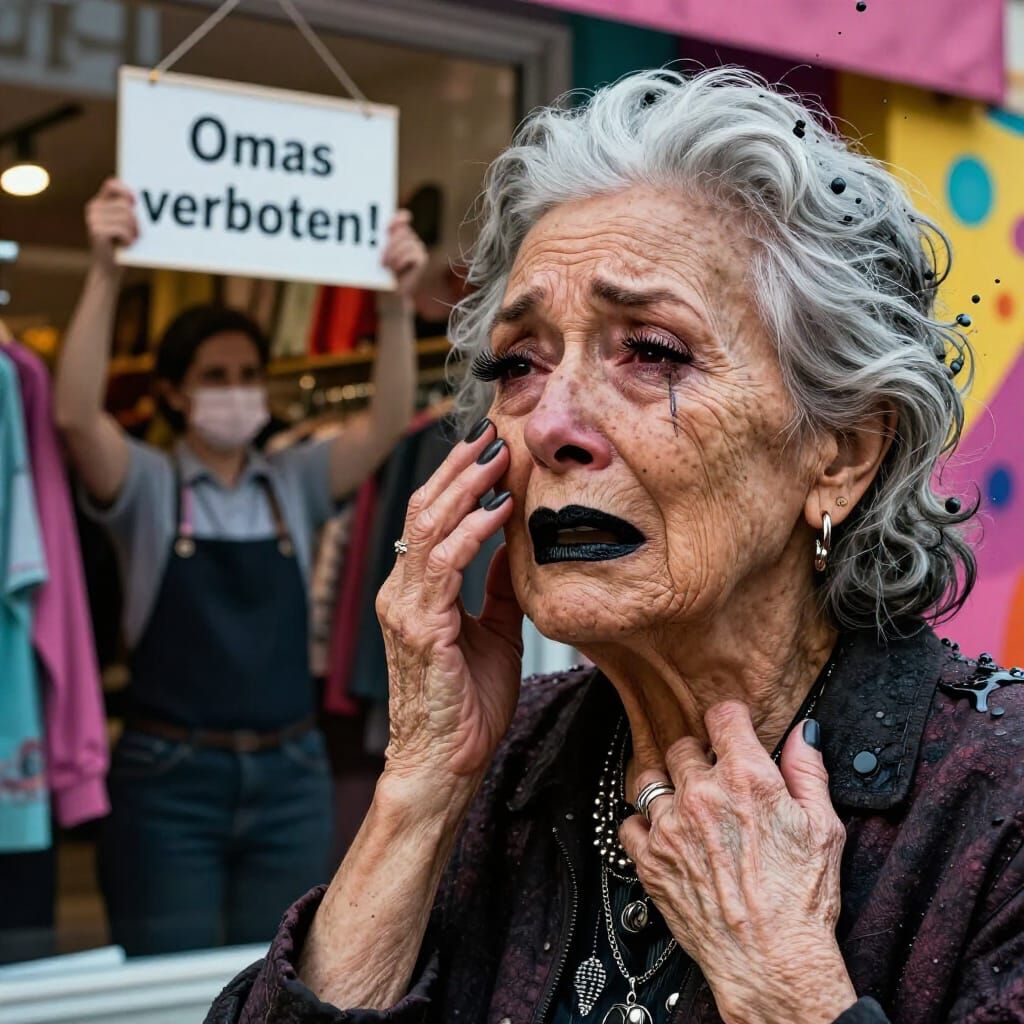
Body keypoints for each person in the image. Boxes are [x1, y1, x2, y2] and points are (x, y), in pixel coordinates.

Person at [207, 69, 1023, 1023]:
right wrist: (421, 789)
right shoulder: (507, 762)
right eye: (519, 364)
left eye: (651, 350)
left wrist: (783, 981)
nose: (552, 423)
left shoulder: (991, 803)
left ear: (838, 454)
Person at [54, 179, 427, 955]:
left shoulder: (293, 483)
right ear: (174, 393)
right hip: (169, 784)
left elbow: (391, 419)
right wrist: (103, 270)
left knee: (276, 980)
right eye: (215, 378)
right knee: (168, 980)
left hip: (290, 778)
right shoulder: (146, 486)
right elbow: (73, 415)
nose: (237, 393)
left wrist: (394, 301)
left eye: (247, 375)